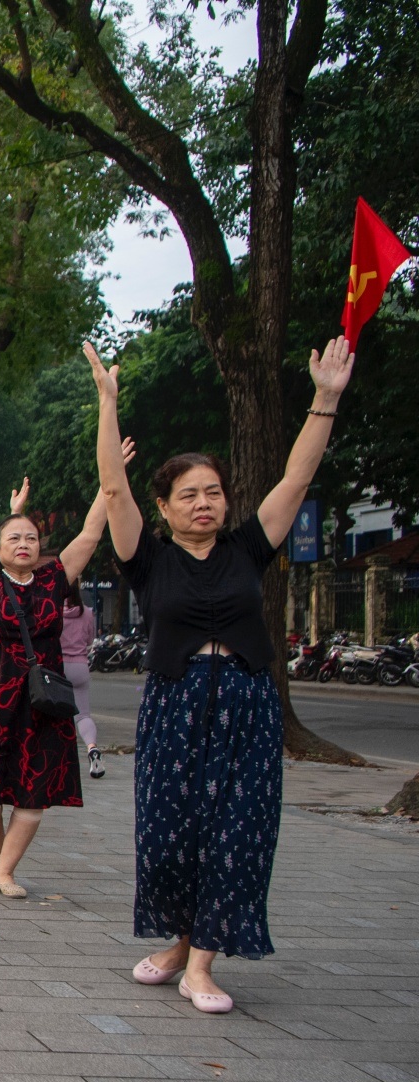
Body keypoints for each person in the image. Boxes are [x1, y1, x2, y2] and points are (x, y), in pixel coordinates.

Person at [91, 335, 354, 1014]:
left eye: (212, 492)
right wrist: (108, 404)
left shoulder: (247, 548)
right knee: (172, 831)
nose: (203, 503)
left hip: (248, 705)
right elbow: (113, 485)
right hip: (175, 707)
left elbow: (295, 479)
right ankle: (181, 943)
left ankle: (201, 965)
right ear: (166, 508)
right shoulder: (146, 559)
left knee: (239, 829)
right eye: (188, 495)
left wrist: (324, 399)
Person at [0, 434, 112, 899]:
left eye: (31, 537)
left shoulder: (56, 578)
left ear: (42, 545)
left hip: (44, 700)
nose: (24, 543)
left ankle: (6, 870)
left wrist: (108, 484)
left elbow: (93, 534)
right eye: (14, 537)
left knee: (34, 790)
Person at [63, 594, 103, 778]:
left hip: (57, 667)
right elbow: (89, 641)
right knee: (83, 715)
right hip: (80, 666)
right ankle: (92, 748)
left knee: (54, 715)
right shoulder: (87, 612)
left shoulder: (52, 610)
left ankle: (60, 760)